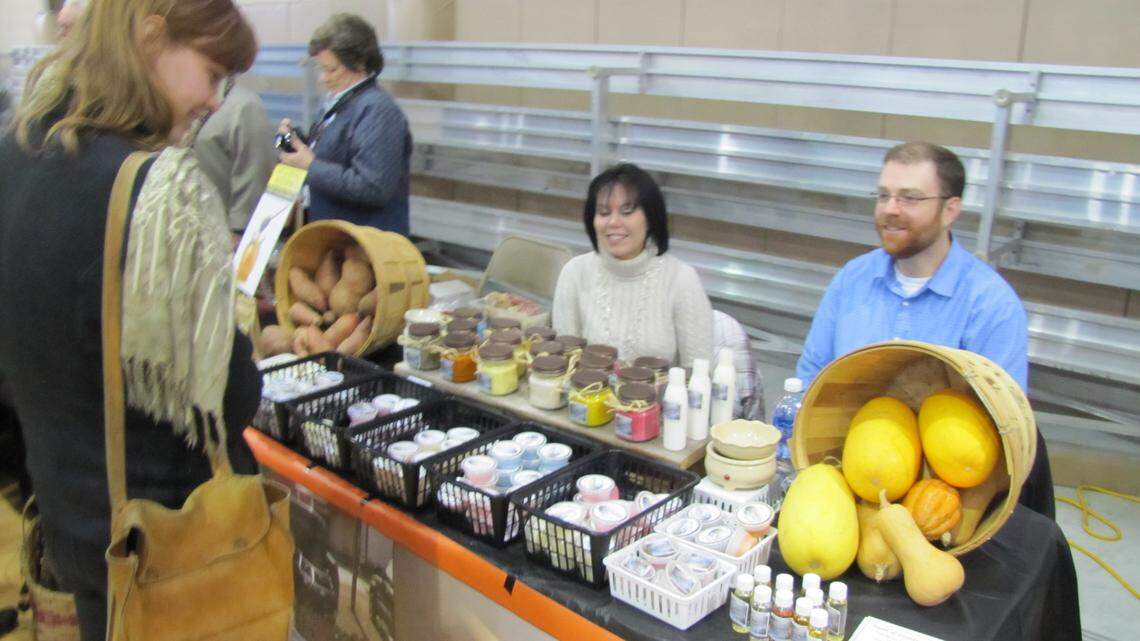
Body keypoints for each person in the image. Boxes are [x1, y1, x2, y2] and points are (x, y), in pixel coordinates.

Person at [0, 2, 262, 639]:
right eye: (210, 71)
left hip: (73, 522)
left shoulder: (18, 152)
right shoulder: (154, 192)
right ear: (150, 33)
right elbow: (227, 403)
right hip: (165, 548)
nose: (214, 98)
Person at [795, 141, 1053, 517]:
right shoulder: (852, 280)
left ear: (950, 210)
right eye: (883, 195)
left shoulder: (990, 304)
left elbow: (1009, 432)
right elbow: (809, 379)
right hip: (847, 484)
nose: (889, 210)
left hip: (941, 503)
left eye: (909, 198)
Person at [552, 163, 713, 367]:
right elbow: (565, 365)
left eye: (627, 211)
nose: (613, 222)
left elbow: (699, 375)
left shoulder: (681, 279)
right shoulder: (575, 273)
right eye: (603, 212)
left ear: (650, 217)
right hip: (587, 397)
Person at [277, 13, 412, 234]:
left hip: (365, 247)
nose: (323, 78)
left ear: (359, 63)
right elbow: (335, 154)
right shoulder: (342, 102)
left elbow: (373, 187)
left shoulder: (377, 111)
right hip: (335, 236)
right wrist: (297, 143)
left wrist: (310, 165)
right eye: (320, 68)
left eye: (331, 69)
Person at [193, 79, 277, 233]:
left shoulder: (244, 106)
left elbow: (255, 172)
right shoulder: (181, 97)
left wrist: (239, 230)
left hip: (222, 231)